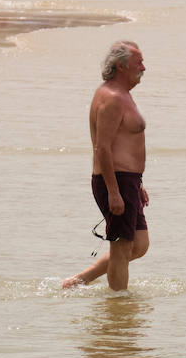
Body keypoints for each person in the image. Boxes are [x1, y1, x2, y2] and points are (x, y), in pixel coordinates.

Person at [62, 42, 151, 291]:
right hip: (116, 181)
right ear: (120, 66)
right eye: (138, 63)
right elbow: (102, 148)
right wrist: (114, 191)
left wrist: (138, 184)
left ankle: (79, 281)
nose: (144, 67)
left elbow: (126, 143)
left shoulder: (123, 94)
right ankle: (118, 313)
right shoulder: (111, 98)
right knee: (122, 249)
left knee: (139, 245)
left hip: (128, 181)